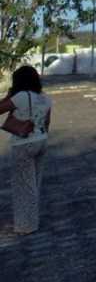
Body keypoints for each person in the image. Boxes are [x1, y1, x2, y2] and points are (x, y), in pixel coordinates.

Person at [0, 65, 52, 234]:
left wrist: (8, 96)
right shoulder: (45, 98)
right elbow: (47, 123)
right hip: (41, 141)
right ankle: (32, 221)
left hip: (23, 144)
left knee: (23, 186)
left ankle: (26, 226)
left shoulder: (21, 96)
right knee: (33, 184)